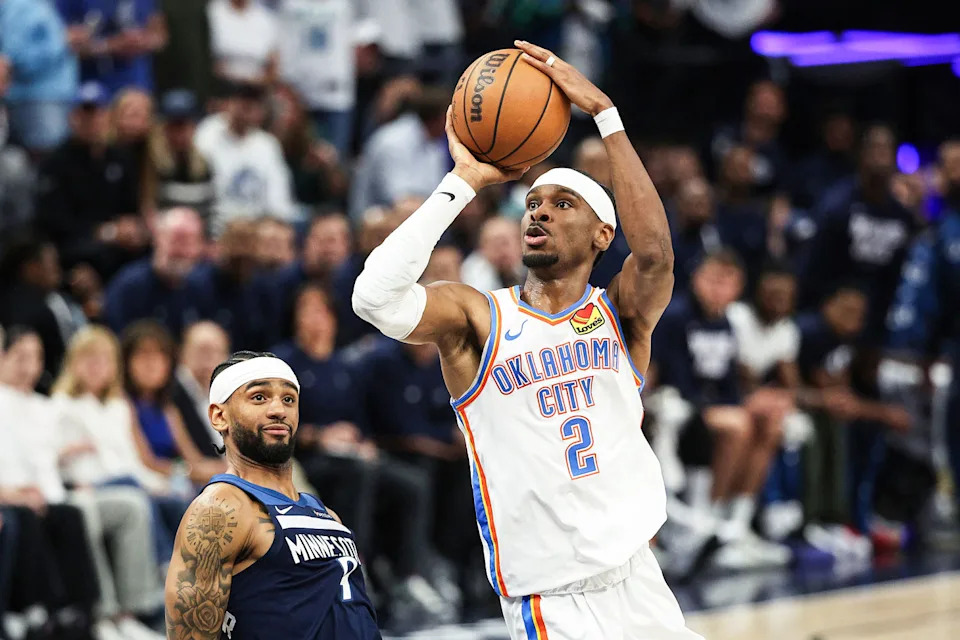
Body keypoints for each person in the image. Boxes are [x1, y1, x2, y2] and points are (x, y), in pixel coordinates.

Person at [353, 41, 700, 638]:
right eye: (532, 203)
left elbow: (657, 257)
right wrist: (463, 181)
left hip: (639, 581)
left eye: (561, 204)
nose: (538, 213)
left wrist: (607, 116)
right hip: (551, 602)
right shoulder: (479, 319)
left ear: (601, 234)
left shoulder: (619, 314)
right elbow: (374, 298)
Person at [164, 350, 381, 639]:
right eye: (259, 397)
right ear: (219, 416)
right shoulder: (221, 508)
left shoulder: (327, 514)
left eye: (288, 399)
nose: (278, 409)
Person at [0, 326, 164, 640]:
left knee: (131, 506)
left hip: (54, 493)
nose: (28, 366)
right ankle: (102, 613)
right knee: (83, 509)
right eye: (20, 357)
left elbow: (45, 461)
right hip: (60, 491)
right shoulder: (43, 403)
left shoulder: (41, 405)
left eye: (35, 357)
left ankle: (132, 611)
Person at [103, 207, 205, 337]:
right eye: (176, 240)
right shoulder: (129, 286)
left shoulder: (202, 288)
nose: (181, 251)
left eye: (189, 242)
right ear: (157, 239)